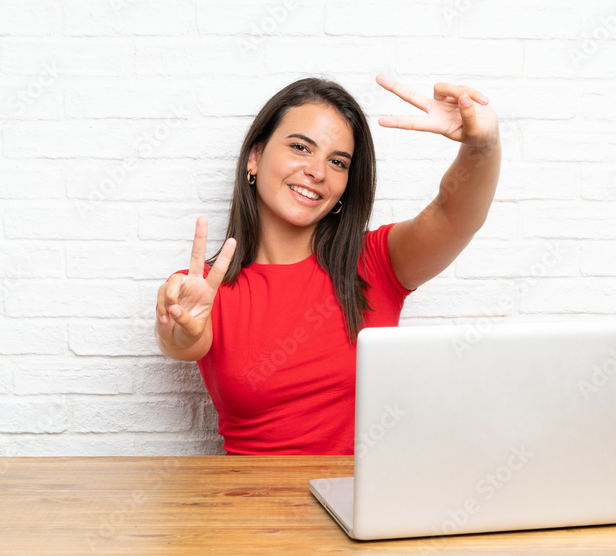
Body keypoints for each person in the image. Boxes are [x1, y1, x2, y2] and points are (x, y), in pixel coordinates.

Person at [155, 74, 501, 455]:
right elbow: (181, 340)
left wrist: (482, 147)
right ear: (255, 156)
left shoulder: (376, 263)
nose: (318, 171)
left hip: (364, 493)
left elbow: (453, 214)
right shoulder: (202, 288)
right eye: (301, 147)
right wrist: (179, 331)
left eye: (337, 162)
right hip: (251, 492)